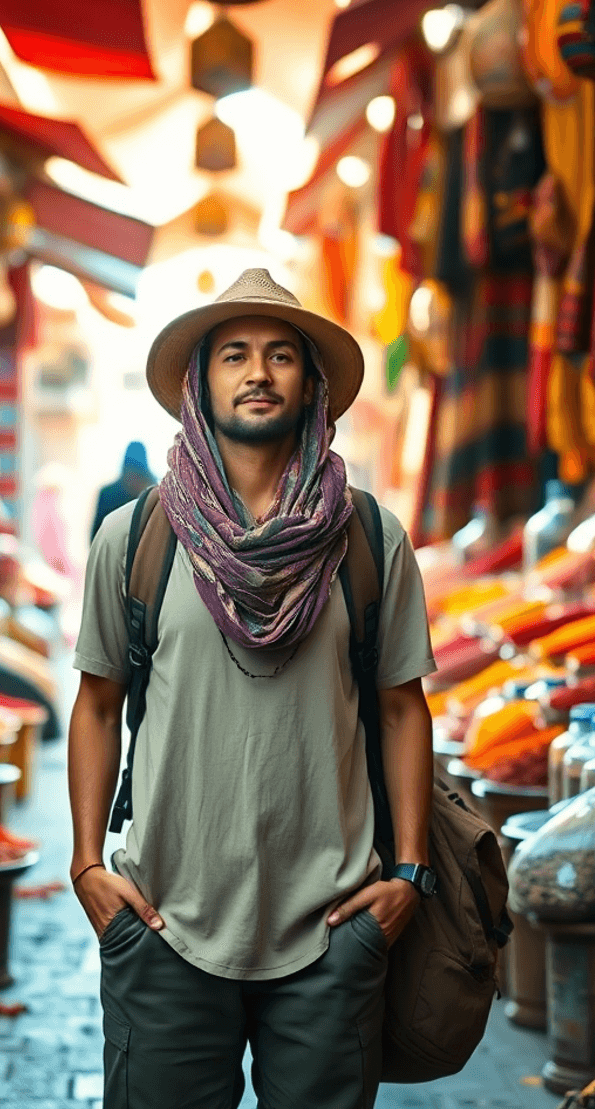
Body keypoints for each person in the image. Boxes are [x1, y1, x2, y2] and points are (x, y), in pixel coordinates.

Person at [69, 269, 436, 1109]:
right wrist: (90, 864)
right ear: (201, 384)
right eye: (233, 355)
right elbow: (94, 704)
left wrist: (409, 876)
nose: (258, 373)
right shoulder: (134, 539)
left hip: (333, 926)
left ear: (311, 385)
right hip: (164, 923)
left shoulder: (369, 537)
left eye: (280, 356)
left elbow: (401, 706)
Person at [90, 441, 155, 540]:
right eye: (131, 473)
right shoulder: (108, 494)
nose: (133, 480)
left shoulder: (152, 496)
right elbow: (96, 536)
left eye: (137, 475)